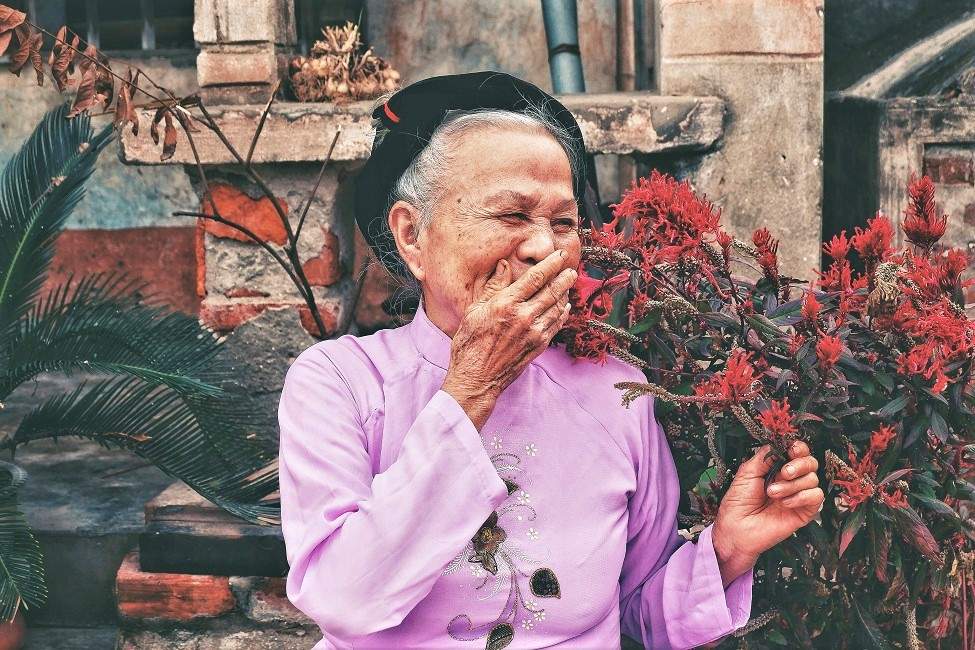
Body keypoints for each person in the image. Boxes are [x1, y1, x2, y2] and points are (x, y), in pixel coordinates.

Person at [277, 71, 824, 649]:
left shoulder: (617, 394)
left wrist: (728, 550)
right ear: (414, 236)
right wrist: (471, 391)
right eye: (511, 216)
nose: (543, 247)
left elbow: (636, 615)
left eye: (563, 223)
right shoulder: (340, 384)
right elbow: (345, 600)